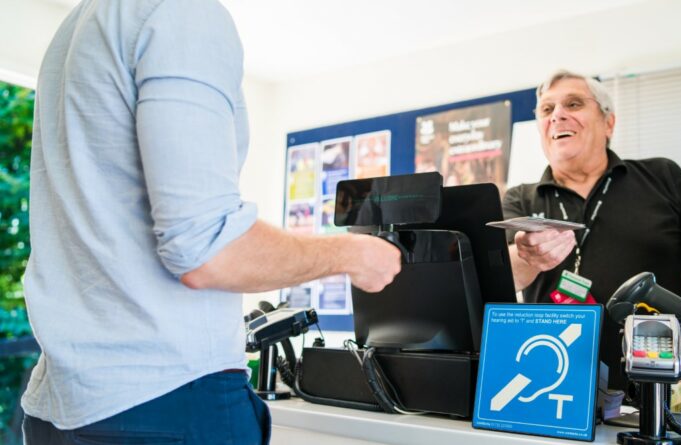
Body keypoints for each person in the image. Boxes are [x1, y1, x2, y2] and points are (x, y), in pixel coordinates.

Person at [21, 1, 401, 444]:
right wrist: (353, 253)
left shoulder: (81, 26)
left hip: (63, 408)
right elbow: (208, 251)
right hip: (164, 402)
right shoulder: (181, 12)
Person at [503, 70, 681, 390]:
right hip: (555, 385)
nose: (558, 116)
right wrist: (528, 256)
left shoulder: (663, 177)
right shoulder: (520, 198)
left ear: (608, 123)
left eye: (574, 103)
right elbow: (506, 278)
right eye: (547, 109)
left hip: (662, 382)